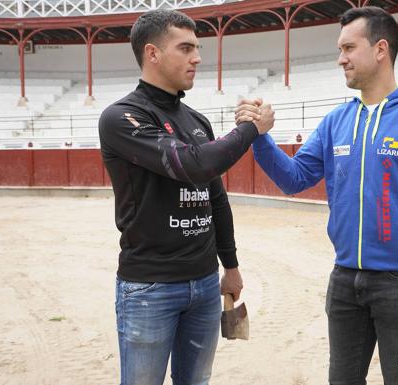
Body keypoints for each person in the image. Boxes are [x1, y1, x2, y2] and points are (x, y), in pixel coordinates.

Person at [236, 6, 398, 385]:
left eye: (348, 47)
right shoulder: (337, 121)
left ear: (381, 49)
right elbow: (294, 179)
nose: (340, 58)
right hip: (345, 280)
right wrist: (260, 138)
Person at [98, 9, 274, 385]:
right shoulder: (122, 117)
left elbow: (216, 199)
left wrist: (230, 265)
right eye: (186, 47)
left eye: (197, 48)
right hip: (150, 287)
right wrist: (250, 129)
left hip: (206, 283)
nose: (197, 57)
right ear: (153, 53)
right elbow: (192, 165)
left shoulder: (197, 120)